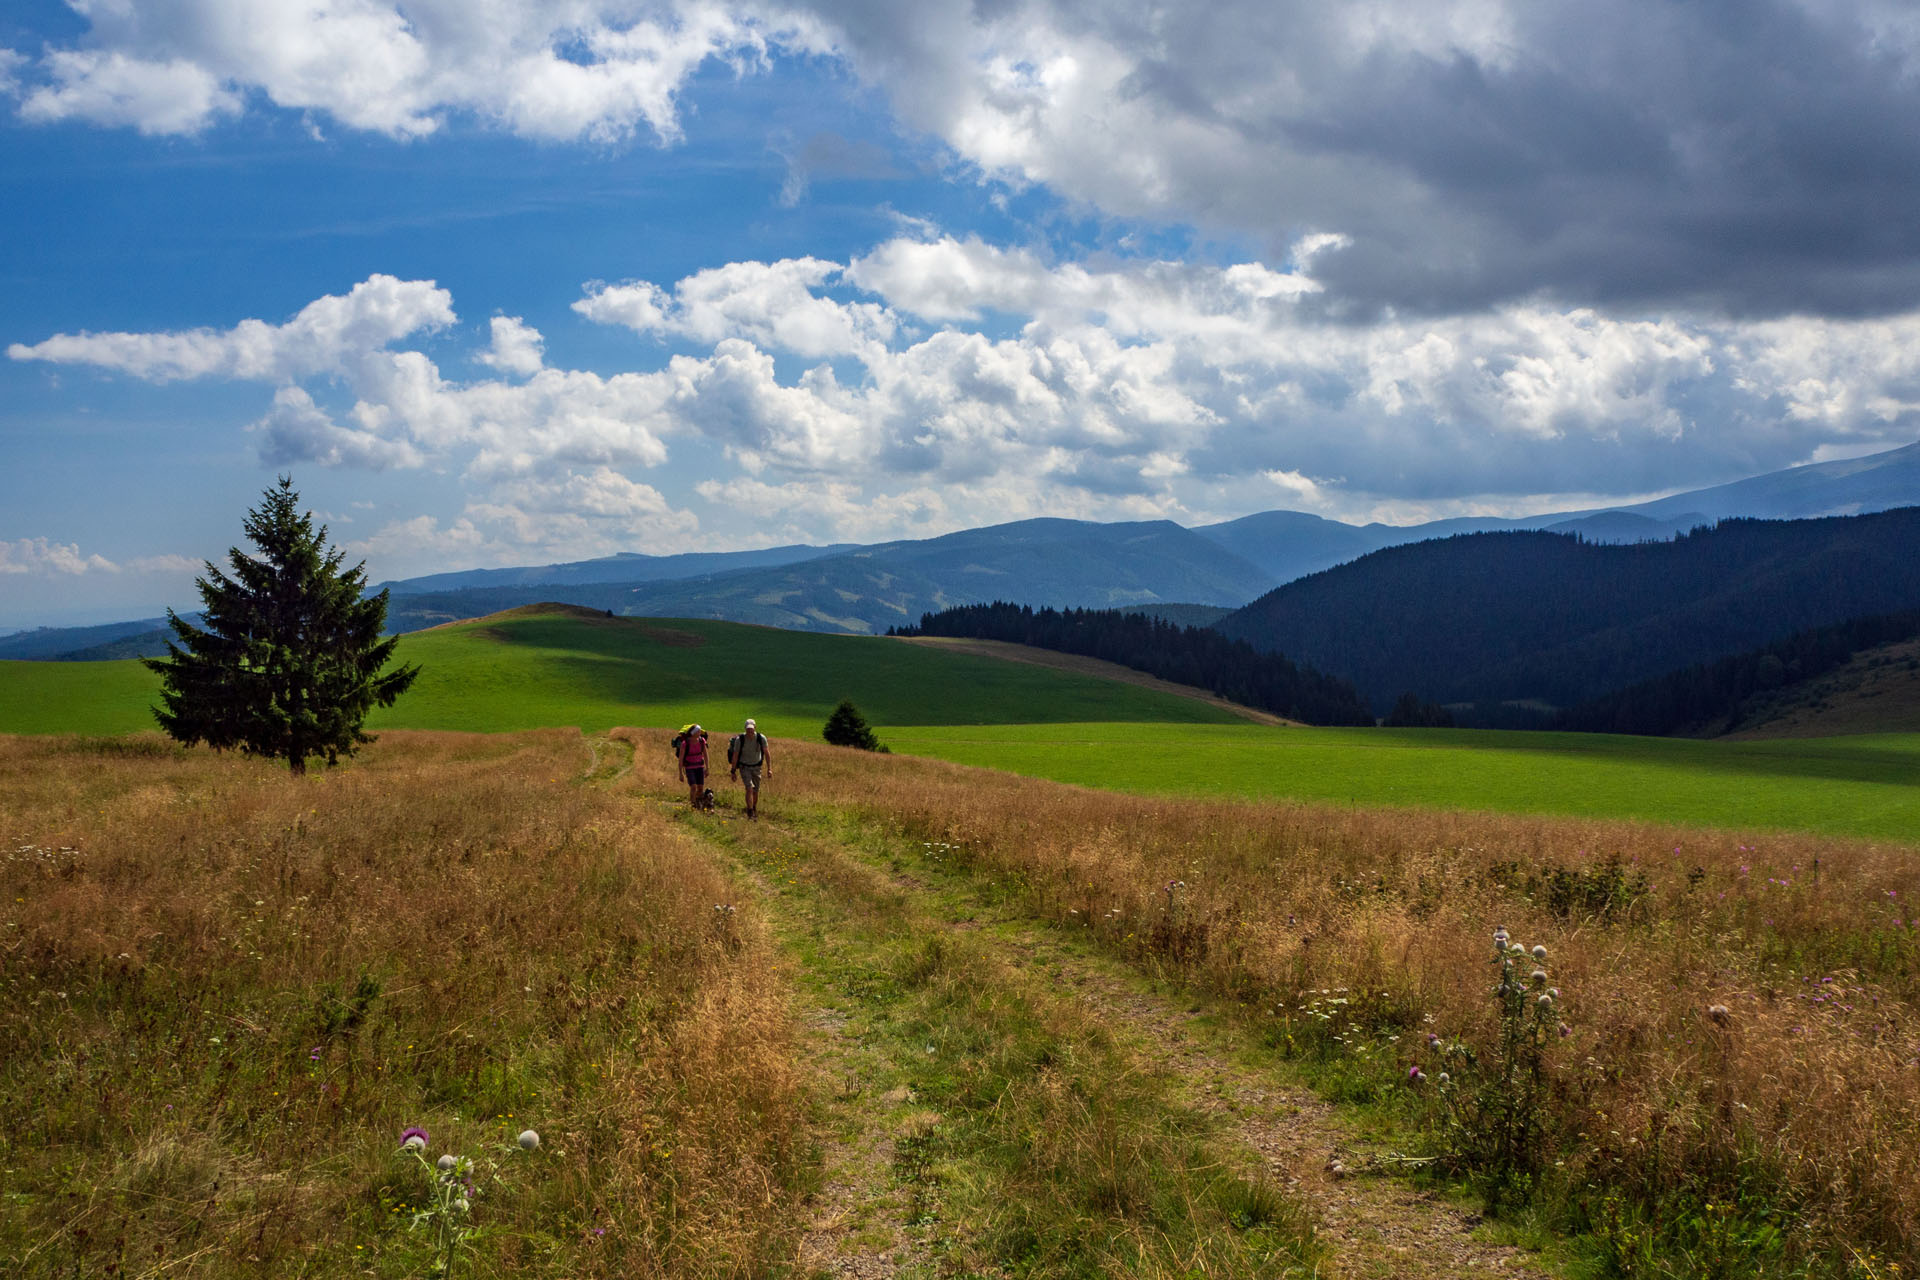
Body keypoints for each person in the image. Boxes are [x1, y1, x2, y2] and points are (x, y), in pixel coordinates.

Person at [727, 717, 771, 819]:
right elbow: (735, 755)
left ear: (755, 728)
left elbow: (767, 753)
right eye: (748, 729)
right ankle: (750, 812)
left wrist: (769, 769)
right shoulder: (740, 739)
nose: (750, 731)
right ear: (745, 728)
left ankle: (753, 808)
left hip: (757, 767)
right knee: (749, 789)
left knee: (755, 791)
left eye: (751, 729)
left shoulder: (761, 738)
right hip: (744, 767)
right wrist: (733, 771)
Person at [676, 723, 710, 807]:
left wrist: (707, 768)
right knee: (693, 786)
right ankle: (693, 804)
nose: (700, 733)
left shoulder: (702, 741)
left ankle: (698, 802)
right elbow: (680, 759)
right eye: (698, 731)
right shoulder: (685, 743)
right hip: (689, 767)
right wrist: (680, 773)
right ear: (693, 733)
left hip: (700, 767)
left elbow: (705, 755)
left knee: (700, 788)